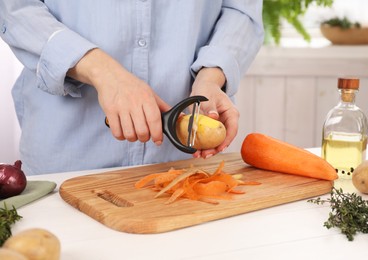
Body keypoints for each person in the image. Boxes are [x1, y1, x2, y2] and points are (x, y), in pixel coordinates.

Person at [0, 1, 263, 175]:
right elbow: (15, 8)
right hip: (67, 157)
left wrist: (211, 75)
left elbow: (241, 9)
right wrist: (102, 71)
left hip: (184, 164)